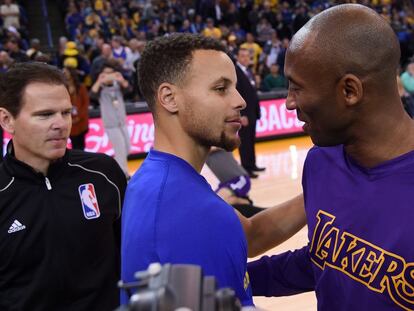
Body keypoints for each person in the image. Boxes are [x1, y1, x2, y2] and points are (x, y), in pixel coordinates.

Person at [246, 4, 414, 310]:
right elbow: (329, 261)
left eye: (297, 88)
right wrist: (238, 279)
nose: (288, 103)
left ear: (349, 90)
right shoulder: (321, 161)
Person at [121, 34, 253, 306]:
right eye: (220, 88)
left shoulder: (149, 180)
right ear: (169, 98)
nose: (240, 100)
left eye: (236, 87)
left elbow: (249, 233)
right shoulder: (195, 210)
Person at [0, 62, 127, 310]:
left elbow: (131, 254)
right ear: (7, 120)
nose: (61, 124)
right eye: (45, 115)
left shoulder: (104, 174)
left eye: (66, 112)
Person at [91, 59, 131, 178]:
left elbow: (129, 89)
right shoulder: (100, 87)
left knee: (127, 149)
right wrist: (99, 80)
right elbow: (92, 95)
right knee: (120, 150)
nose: (109, 76)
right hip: (111, 124)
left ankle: (119, 171)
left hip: (122, 122)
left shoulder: (118, 84)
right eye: (106, 73)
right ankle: (123, 175)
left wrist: (120, 78)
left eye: (111, 73)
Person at [235, 48, 265, 178]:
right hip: (245, 114)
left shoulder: (248, 71)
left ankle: (252, 164)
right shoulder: (236, 72)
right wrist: (241, 114)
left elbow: (252, 93)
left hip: (252, 112)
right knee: (245, 141)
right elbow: (238, 94)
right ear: (238, 57)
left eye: (247, 56)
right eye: (243, 56)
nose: (245, 58)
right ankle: (246, 168)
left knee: (251, 139)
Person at [63, 66, 90, 150]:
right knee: (74, 146)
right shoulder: (62, 88)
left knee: (81, 146)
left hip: (81, 122)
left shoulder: (81, 87)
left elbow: (86, 104)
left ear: (71, 74)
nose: (64, 74)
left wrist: (78, 117)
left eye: (66, 72)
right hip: (69, 122)